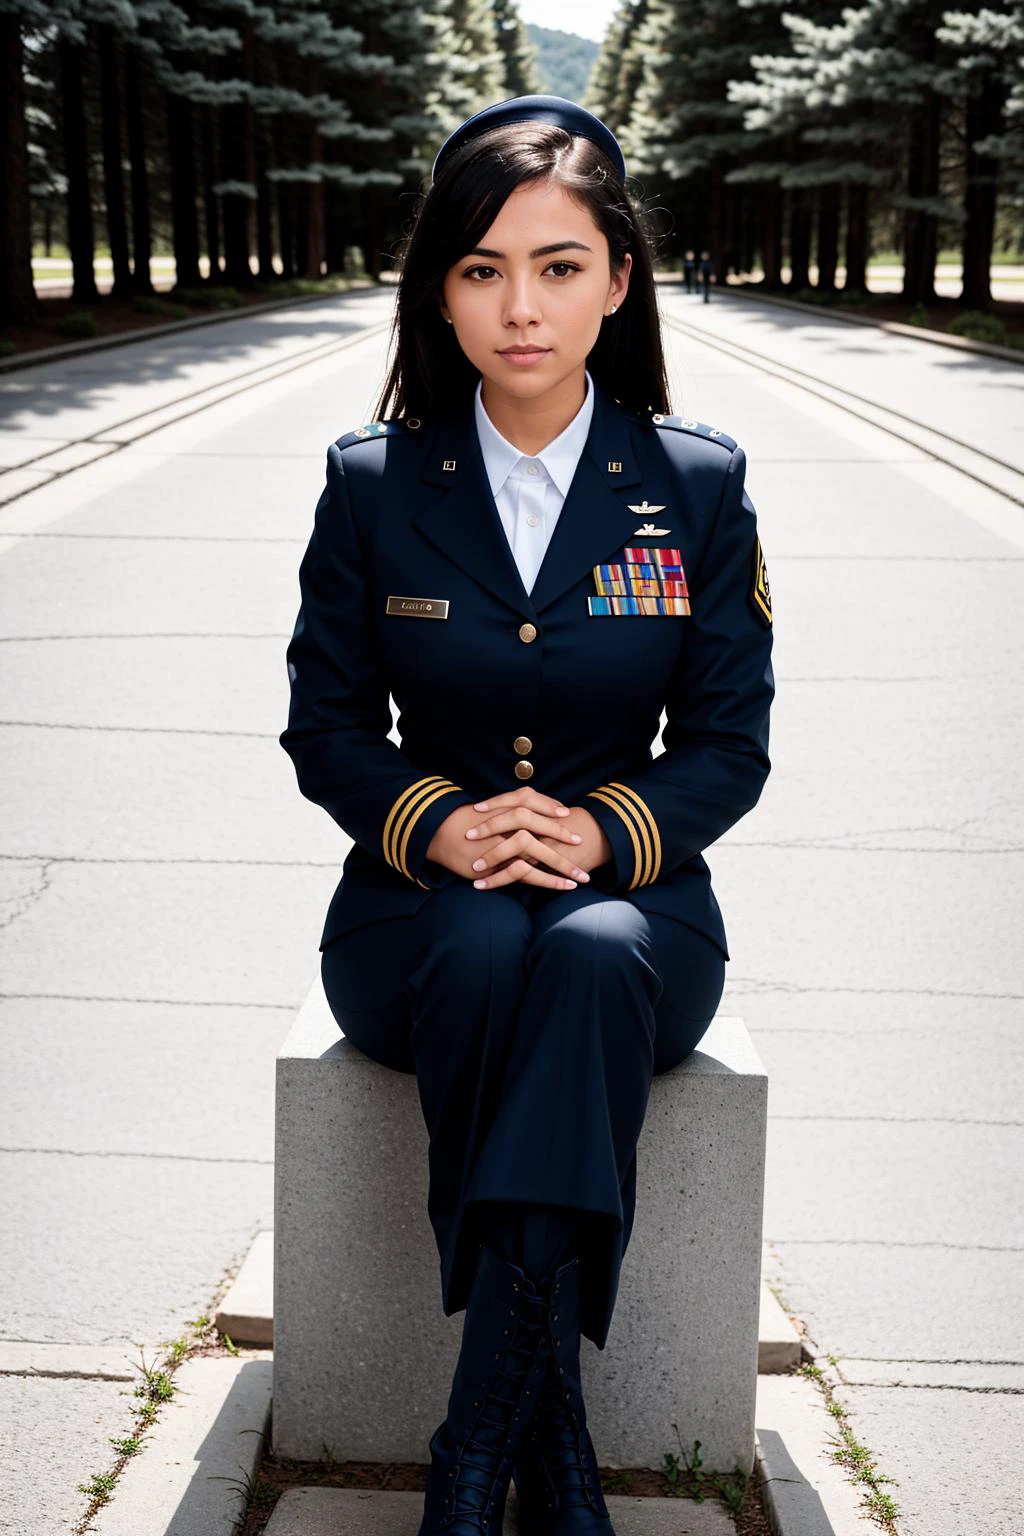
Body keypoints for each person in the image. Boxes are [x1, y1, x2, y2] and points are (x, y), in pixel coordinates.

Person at [279, 93, 775, 1536]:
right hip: (414, 919)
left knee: (582, 950)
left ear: (619, 282)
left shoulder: (695, 486)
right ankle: (544, 1449)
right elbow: (325, 728)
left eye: (560, 267)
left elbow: (730, 747)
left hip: (636, 916)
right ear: (440, 287)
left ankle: (475, 1444)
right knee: (496, 952)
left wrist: (605, 834)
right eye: (483, 267)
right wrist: (437, 825)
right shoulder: (373, 489)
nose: (522, 307)